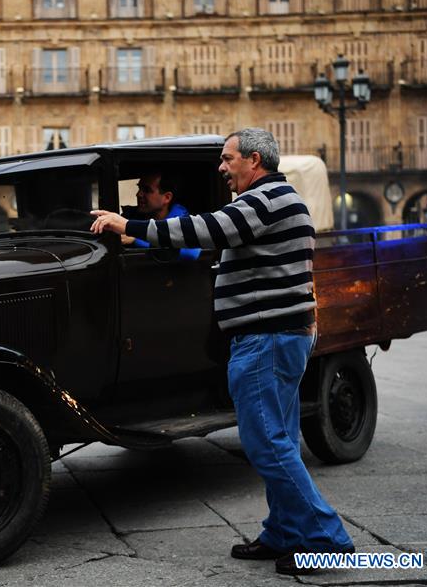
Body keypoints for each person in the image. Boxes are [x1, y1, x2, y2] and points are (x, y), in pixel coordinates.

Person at [90, 128, 354, 575]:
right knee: (281, 439)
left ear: (254, 160)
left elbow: (203, 230)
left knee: (267, 444)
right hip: (278, 337)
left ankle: (326, 538)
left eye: (228, 159)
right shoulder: (279, 199)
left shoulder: (262, 201)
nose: (221, 167)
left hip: (264, 340)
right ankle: (284, 531)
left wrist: (126, 225)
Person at [122, 171, 201, 260]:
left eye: (147, 190)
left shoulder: (182, 222)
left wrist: (135, 240)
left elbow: (191, 253)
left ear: (167, 197)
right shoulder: (131, 216)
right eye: (139, 188)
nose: (139, 194)